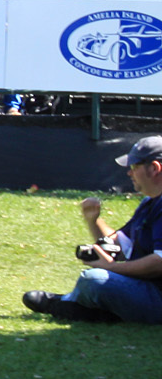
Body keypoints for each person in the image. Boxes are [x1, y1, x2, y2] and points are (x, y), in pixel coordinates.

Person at [22, 136, 162, 325]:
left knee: (94, 280)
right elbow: (120, 244)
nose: (129, 173)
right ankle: (95, 310)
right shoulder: (150, 202)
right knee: (95, 280)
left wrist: (110, 267)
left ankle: (70, 304)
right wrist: (93, 221)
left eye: (134, 166)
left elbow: (159, 263)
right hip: (148, 288)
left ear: (154, 168)